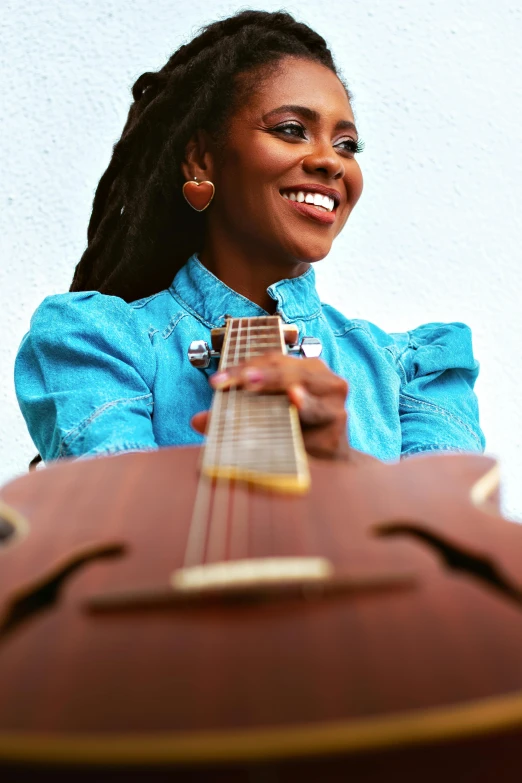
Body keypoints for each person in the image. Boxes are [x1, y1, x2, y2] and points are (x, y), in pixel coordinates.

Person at [14, 9, 484, 467]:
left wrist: (345, 466)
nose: (331, 162)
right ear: (200, 160)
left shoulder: (415, 373)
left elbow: (446, 538)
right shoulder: (99, 343)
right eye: (291, 130)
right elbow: (119, 520)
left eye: (346, 145)